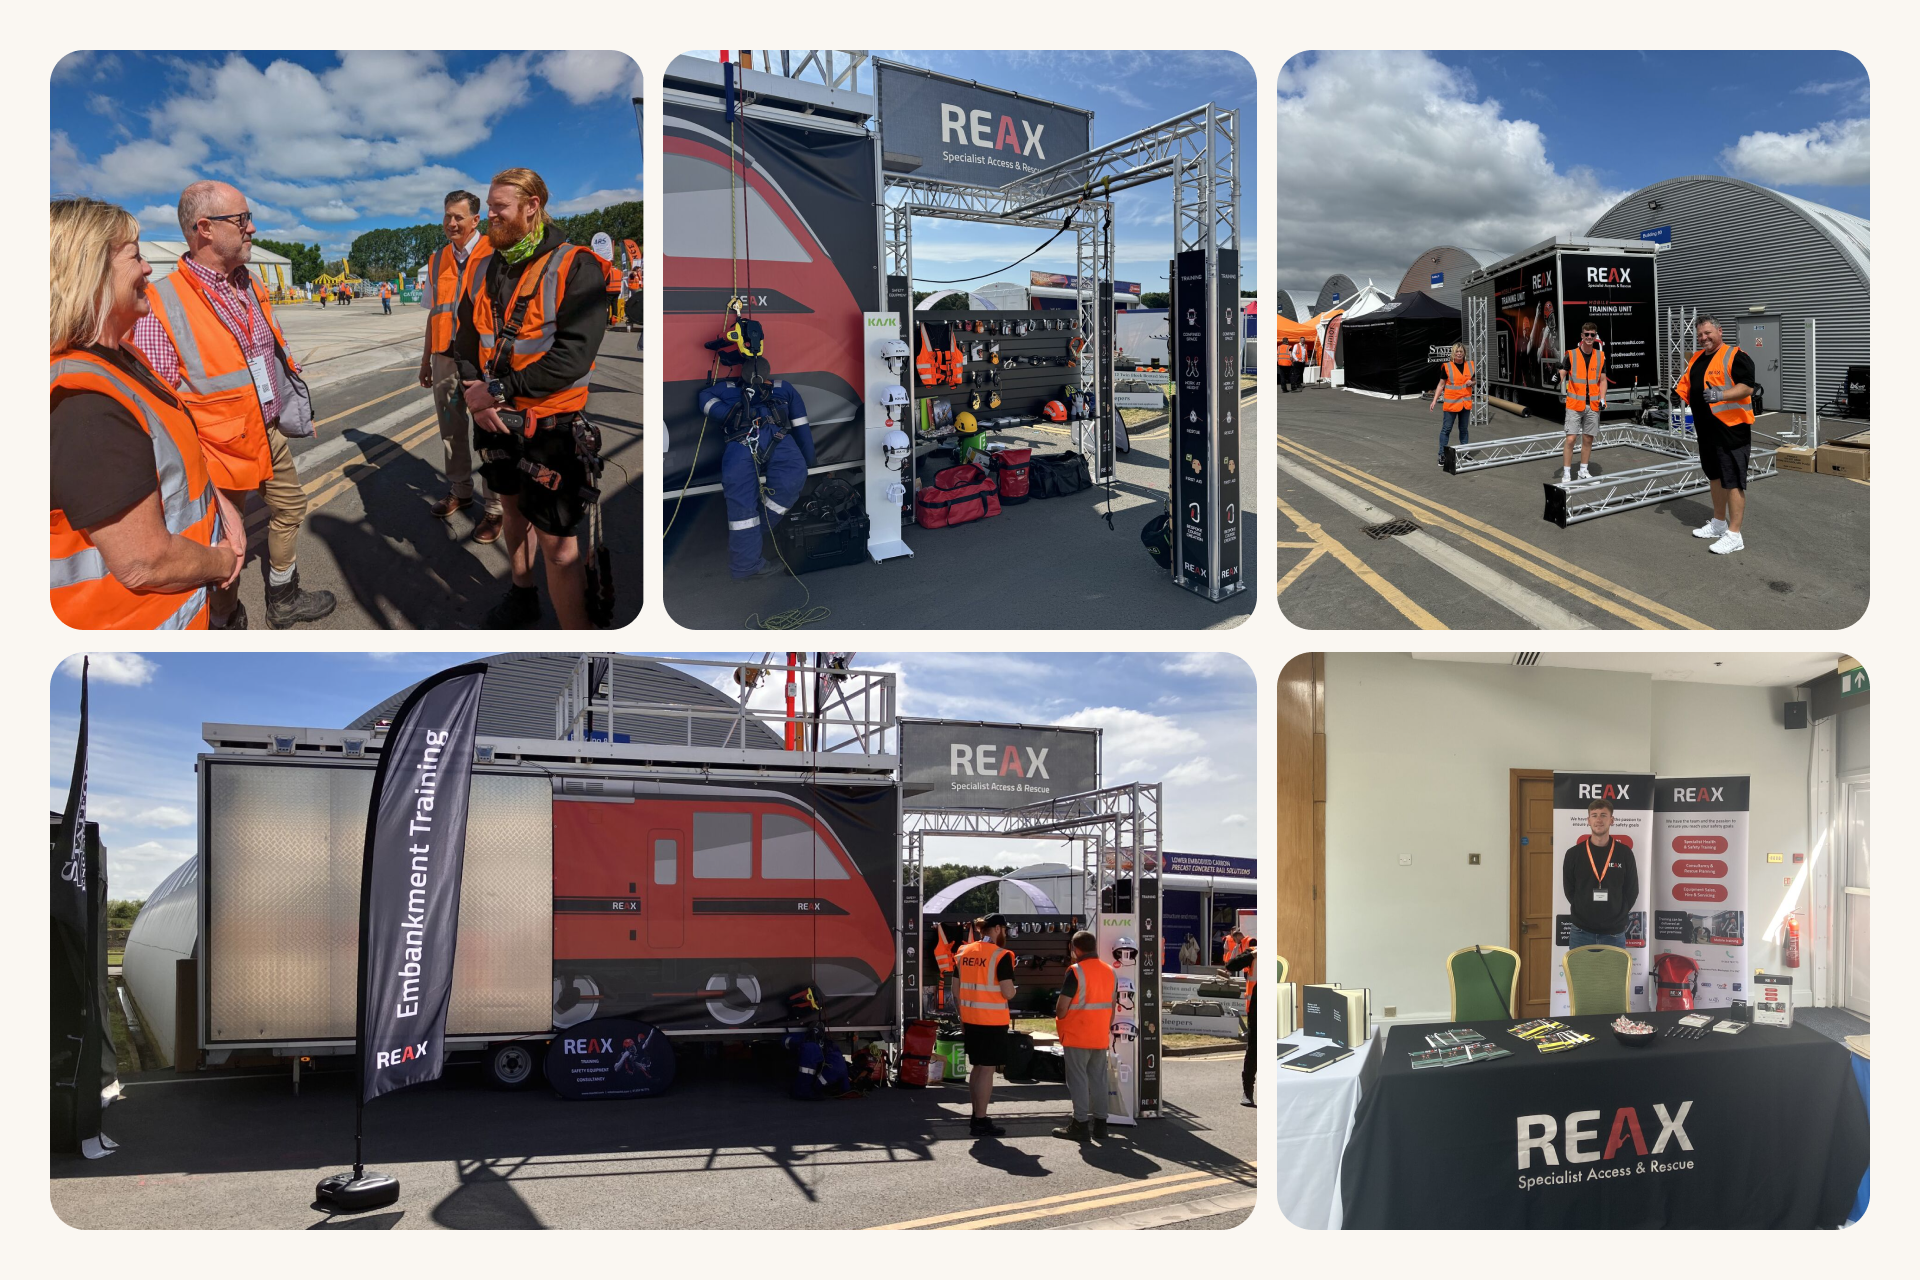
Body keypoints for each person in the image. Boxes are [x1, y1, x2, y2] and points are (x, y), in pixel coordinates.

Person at [133, 180, 335, 629]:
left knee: (289, 508)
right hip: (212, 452)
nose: (252, 227)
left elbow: (269, 355)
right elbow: (158, 415)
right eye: (242, 219)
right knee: (225, 548)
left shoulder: (251, 284)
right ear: (204, 228)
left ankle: (283, 597)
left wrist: (290, 407)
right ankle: (224, 620)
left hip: (265, 432)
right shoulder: (161, 303)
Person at [50, 197, 244, 629]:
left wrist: (221, 511)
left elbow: (174, 465)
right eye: (135, 256)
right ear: (90, 271)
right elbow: (145, 562)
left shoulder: (118, 358)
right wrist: (220, 561)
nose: (148, 269)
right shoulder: (83, 405)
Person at [452, 167, 609, 628]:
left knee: (560, 548)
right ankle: (522, 593)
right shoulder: (482, 267)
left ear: (531, 207)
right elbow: (464, 342)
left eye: (499, 208)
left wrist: (496, 392)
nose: (490, 216)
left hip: (550, 428)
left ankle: (576, 637)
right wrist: (473, 395)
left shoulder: (576, 265)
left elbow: (574, 356)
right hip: (493, 421)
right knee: (513, 513)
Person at [697, 315, 816, 580]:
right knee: (740, 503)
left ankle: (757, 530)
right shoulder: (726, 389)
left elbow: (801, 426)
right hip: (741, 441)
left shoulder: (784, 389)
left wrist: (810, 462)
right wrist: (729, 415)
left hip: (776, 439)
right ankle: (746, 565)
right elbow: (704, 399)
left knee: (794, 476)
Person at [420, 190, 503, 544]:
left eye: (458, 217)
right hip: (444, 357)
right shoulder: (437, 260)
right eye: (447, 217)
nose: (451, 223)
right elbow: (433, 313)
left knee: (491, 432)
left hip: (485, 360)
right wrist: (425, 360)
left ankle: (496, 506)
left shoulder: (495, 254)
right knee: (451, 430)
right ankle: (461, 489)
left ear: (475, 220)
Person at [1675, 316, 1758, 555]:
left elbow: (1747, 386)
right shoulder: (1697, 358)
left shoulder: (1735, 355)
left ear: (1719, 331)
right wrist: (1677, 395)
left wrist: (1720, 396)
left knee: (1732, 481)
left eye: (1708, 333)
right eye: (1700, 335)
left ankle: (1734, 535)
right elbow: (1687, 384)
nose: (1704, 338)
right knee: (1714, 476)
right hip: (1707, 430)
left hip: (1731, 429)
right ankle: (1719, 523)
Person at [953, 913, 1018, 1137]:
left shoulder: (963, 952)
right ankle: (980, 1119)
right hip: (992, 1021)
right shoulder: (1001, 956)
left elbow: (955, 990)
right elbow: (1008, 992)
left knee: (977, 1068)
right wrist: (1014, 990)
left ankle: (976, 1116)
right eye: (1006, 930)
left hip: (970, 1020)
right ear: (998, 929)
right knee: (986, 1070)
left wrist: (962, 1018)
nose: (1006, 934)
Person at [1052, 930, 1116, 1142]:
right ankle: (1101, 1125)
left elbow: (1062, 1008)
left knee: (1078, 1080)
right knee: (1098, 1079)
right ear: (1094, 947)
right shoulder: (1109, 971)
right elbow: (1112, 1007)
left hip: (1077, 1034)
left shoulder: (1076, 971)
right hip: (1099, 1035)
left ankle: (1080, 1123)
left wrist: (1060, 1020)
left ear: (1075, 949)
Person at [1562, 796, 1637, 949]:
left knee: (1613, 974)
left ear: (1612, 820)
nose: (1599, 820)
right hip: (1581, 933)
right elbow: (1569, 890)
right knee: (1580, 974)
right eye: (1594, 815)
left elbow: (1632, 890)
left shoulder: (1624, 853)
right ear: (1588, 820)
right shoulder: (1573, 854)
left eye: (1604, 815)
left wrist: (1618, 915)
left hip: (1614, 934)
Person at [1553, 322, 1607, 484]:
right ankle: (1567, 475)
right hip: (1574, 405)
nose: (1589, 337)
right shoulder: (1571, 355)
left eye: (1592, 334)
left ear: (1595, 337)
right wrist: (1557, 377)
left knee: (1588, 439)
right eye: (1587, 334)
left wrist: (1603, 398)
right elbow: (1562, 373)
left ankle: (1584, 471)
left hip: (1593, 404)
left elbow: (1603, 380)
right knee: (1571, 439)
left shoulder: (1600, 356)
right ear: (1581, 336)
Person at [1225, 935, 1258, 1107]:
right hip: (1256, 1011)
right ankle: (1247, 1092)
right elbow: (1230, 965)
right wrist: (1252, 955)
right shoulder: (1254, 953)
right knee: (1254, 1052)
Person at [1429, 342, 1474, 466]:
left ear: (1464, 353)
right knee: (1446, 429)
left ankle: (1465, 452)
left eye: (1461, 351)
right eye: (1457, 351)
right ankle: (1442, 455)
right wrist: (1434, 400)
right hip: (1451, 404)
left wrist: (1472, 383)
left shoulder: (1470, 366)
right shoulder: (1447, 367)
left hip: (1465, 403)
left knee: (1464, 429)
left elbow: (1474, 381)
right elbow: (1441, 385)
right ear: (1453, 353)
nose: (1459, 353)